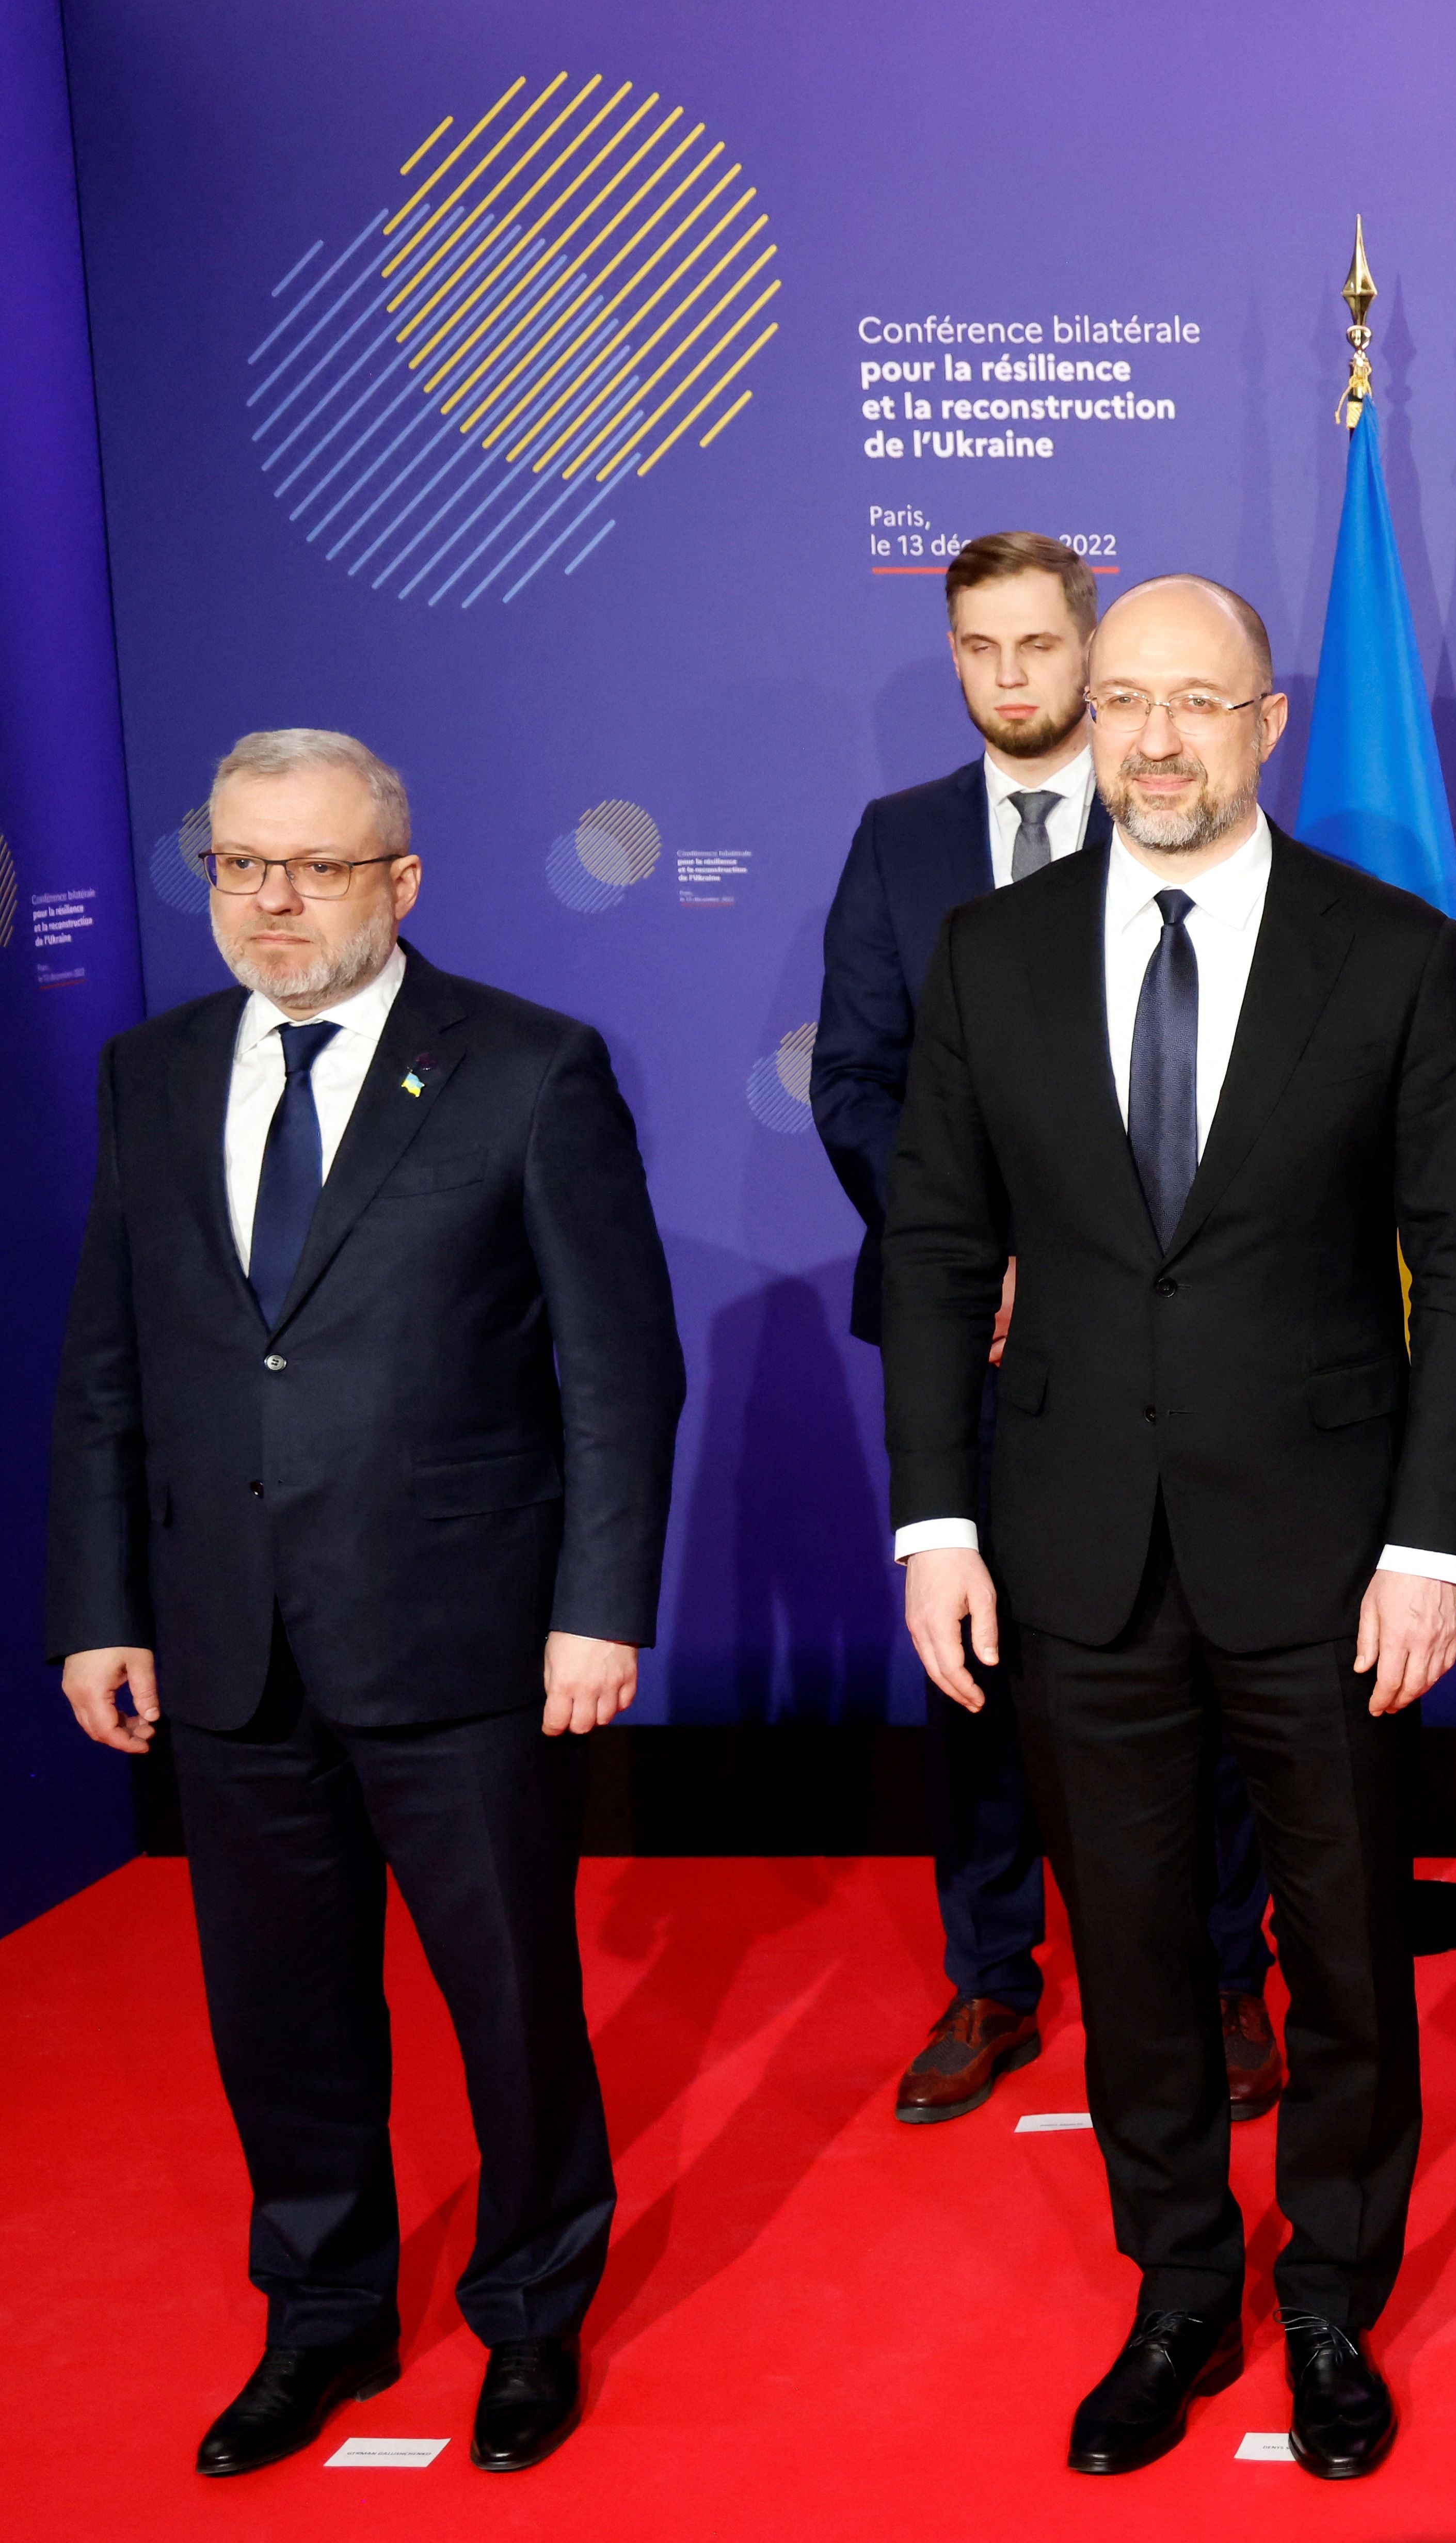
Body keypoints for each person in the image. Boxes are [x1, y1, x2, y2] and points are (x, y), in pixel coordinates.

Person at [882, 574, 1456, 2480]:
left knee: (1338, 1943)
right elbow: (932, 1250)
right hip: (1070, 1542)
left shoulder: (1390, 953)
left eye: (1195, 703)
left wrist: (1427, 1543)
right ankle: (1173, 2287)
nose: (1152, 739)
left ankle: (1327, 2291)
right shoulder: (991, 957)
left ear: (1266, 726)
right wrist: (933, 1517)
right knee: (1137, 1946)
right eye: (1123, 700)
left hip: (1323, 1553)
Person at [49, 729, 684, 2477]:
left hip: (467, 1639)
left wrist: (598, 1605)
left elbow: (617, 1373)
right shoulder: (150, 1073)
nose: (270, 901)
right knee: (280, 2010)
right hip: (228, 1641)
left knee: (509, 2003)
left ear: (400, 881)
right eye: (240, 865)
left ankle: (533, 2313)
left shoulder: (531, 1071)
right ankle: (320, 2316)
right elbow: (109, 1365)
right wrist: (100, 1606)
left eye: (313, 869)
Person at [812, 532, 1290, 2130]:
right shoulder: (895, 845)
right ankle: (993, 1972)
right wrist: (981, 1256)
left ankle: (1228, 1971)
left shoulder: (1179, 808)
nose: (1010, 677)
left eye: (1037, 647)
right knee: (977, 1659)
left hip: (1159, 1335)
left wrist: (1085, 1257)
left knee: (1187, 1634)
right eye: (979, 649)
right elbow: (859, 1081)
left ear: (1093, 662)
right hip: (970, 1330)